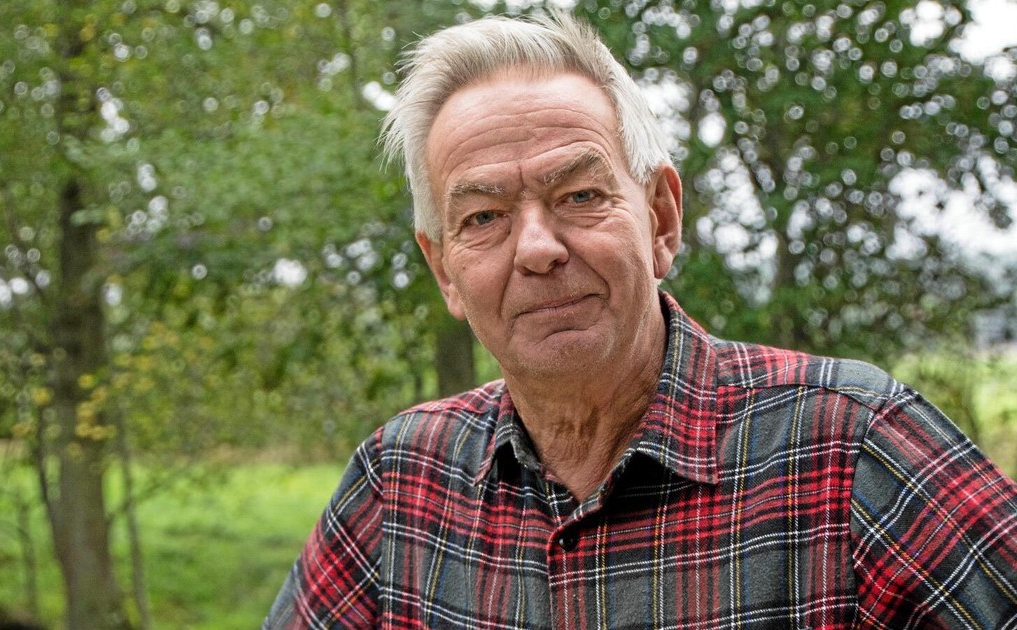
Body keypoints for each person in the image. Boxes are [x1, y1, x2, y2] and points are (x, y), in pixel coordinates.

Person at [265, 13, 1017, 629]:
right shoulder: (401, 484)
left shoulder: (854, 449)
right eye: (484, 216)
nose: (537, 248)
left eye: (579, 196)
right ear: (444, 271)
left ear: (660, 218)